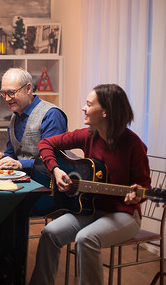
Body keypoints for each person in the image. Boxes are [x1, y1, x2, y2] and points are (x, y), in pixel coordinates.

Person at [29, 84, 151, 285]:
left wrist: (137, 194)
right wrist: (56, 170)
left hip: (124, 214)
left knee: (86, 238)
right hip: (89, 209)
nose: (83, 108)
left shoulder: (133, 144)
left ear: (105, 112)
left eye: (88, 104)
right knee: (49, 233)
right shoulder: (88, 135)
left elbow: (143, 186)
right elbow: (46, 144)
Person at [0, 68, 67, 284]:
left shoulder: (51, 114)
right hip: (25, 184)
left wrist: (20, 163)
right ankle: (4, 259)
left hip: (50, 188)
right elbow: (13, 153)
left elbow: (55, 161)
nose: (7, 99)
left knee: (10, 206)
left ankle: (14, 270)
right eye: (3, 94)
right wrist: (2, 157)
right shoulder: (15, 116)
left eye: (12, 93)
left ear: (29, 88)